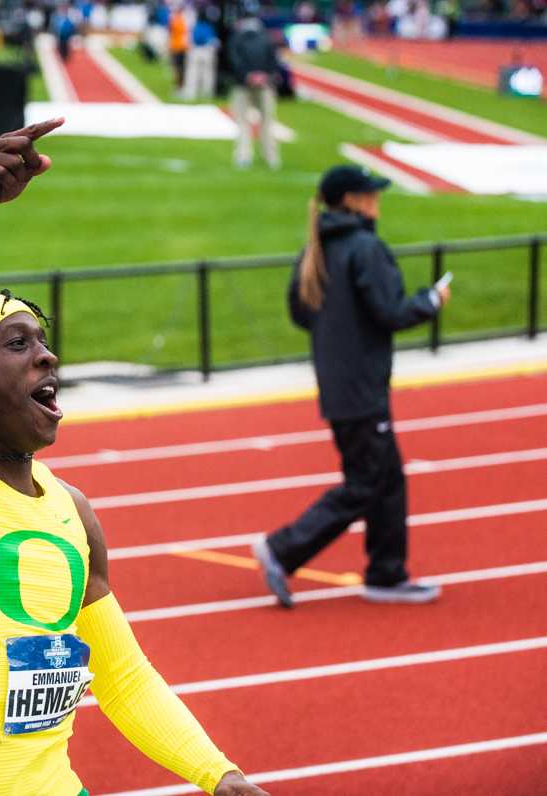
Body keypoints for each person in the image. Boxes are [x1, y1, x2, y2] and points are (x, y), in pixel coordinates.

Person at [0, 118, 269, 796]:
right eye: (17, 344)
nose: (48, 356)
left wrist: (220, 776)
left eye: (43, 341)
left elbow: (124, 679)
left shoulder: (73, 511)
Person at [251, 165, 451, 609]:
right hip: (362, 388)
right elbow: (390, 312)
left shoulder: (316, 248)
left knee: (387, 479)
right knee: (367, 482)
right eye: (371, 194)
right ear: (353, 201)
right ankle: (283, 549)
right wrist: (430, 300)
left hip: (339, 385)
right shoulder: (365, 247)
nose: (378, 200)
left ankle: (386, 573)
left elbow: (301, 314)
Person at [226, 9, 279, 169]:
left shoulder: (236, 37)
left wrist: (247, 76)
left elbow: (232, 59)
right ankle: (271, 157)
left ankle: (243, 156)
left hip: (242, 85)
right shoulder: (267, 37)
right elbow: (274, 60)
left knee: (243, 122)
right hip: (264, 85)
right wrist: (265, 76)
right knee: (267, 122)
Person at [183, 11, 219, 100]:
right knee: (208, 73)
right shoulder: (209, 27)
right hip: (207, 50)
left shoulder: (195, 26)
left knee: (193, 72)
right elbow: (213, 40)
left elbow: (191, 39)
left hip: (196, 50)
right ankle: (207, 93)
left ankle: (191, 92)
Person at [167, 1, 189, 97]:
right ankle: (178, 87)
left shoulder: (178, 19)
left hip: (179, 47)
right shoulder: (177, 19)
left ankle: (179, 87)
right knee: (178, 69)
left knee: (179, 69)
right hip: (177, 46)